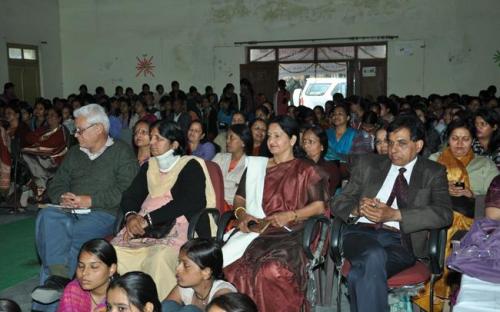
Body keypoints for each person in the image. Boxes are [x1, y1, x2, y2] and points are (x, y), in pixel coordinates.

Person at [331, 115, 453, 312]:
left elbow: (444, 213)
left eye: (402, 143)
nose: (393, 149)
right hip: (360, 234)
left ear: (419, 145)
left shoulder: (433, 171)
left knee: (360, 274)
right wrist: (357, 208)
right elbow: (337, 202)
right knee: (373, 255)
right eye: (391, 142)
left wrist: (396, 215)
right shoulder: (368, 164)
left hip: (402, 242)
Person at [33, 104, 138, 310]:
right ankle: (59, 279)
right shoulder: (75, 153)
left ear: (98, 129)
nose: (76, 134)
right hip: (69, 210)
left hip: (102, 213)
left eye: (80, 130)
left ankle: (48, 298)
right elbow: (57, 182)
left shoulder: (122, 152)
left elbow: (126, 191)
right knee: (47, 217)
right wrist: (62, 196)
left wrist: (91, 200)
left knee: (60, 240)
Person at [223, 115, 329, 311]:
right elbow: (240, 199)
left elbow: (319, 206)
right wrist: (242, 215)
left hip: (291, 231)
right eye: (269, 136)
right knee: (231, 267)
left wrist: (291, 215)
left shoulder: (306, 169)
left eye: (277, 136)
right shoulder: (257, 166)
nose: (271, 141)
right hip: (257, 229)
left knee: (270, 269)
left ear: (293, 139)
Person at [112, 120, 216, 299]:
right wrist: (130, 217)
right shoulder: (149, 166)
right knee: (109, 254)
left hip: (176, 227)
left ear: (174, 144)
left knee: (159, 258)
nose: (151, 142)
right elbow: (130, 196)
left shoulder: (190, 165)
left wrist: (149, 219)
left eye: (158, 138)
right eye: (151, 137)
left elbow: (189, 202)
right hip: (141, 228)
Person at [415, 119, 498, 311]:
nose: (459, 144)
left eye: (465, 139)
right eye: (455, 138)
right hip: (436, 217)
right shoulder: (434, 160)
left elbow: (496, 199)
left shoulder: (484, 164)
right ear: (447, 139)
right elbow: (418, 191)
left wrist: (473, 195)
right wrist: (442, 189)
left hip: (472, 222)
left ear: (473, 141)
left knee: (449, 231)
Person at [162, 239, 237, 312]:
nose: (178, 268)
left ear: (206, 272)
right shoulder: (185, 287)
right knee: (167, 305)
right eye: (179, 262)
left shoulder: (223, 294)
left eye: (186, 265)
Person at [22, 108, 68, 204]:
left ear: (59, 118)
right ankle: (39, 192)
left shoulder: (62, 130)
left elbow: (55, 145)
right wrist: (40, 143)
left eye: (52, 115)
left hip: (55, 158)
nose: (49, 117)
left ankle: (38, 192)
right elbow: (29, 137)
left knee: (31, 158)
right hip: (41, 156)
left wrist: (39, 144)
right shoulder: (44, 129)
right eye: (48, 115)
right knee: (27, 155)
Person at [56, 239, 118, 312]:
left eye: (94, 267)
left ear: (111, 269)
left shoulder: (122, 297)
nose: (84, 273)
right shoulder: (73, 291)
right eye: (81, 266)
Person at [212, 124, 253, 208]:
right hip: (212, 202)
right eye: (227, 138)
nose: (227, 141)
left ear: (243, 142)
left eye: (232, 138)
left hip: (231, 209)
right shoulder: (219, 157)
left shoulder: (250, 165)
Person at [302, 125, 341, 195]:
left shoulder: (330, 168)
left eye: (311, 142)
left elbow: (326, 195)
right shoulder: (300, 164)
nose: (306, 146)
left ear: (322, 146)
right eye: (304, 142)